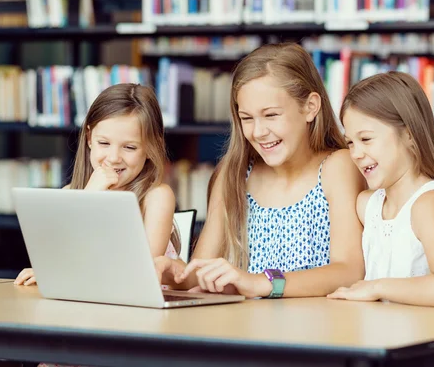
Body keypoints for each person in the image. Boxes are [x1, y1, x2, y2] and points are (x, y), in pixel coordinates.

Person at [156, 42, 365, 298]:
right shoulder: (233, 175)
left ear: (311, 107)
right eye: (247, 118)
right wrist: (171, 271)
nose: (258, 132)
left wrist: (261, 283)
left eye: (271, 115)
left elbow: (349, 270)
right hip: (249, 329)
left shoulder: (337, 167)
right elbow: (200, 271)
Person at [328, 71, 434, 308]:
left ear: (410, 135)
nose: (356, 154)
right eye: (350, 142)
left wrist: (376, 287)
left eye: (366, 139)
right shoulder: (367, 206)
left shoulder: (428, 203)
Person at [15, 83, 179, 286]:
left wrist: (89, 200)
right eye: (104, 143)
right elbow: (59, 258)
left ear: (151, 147)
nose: (113, 157)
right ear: (89, 137)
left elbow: (142, 271)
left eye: (129, 147)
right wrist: (49, 272)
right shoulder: (71, 193)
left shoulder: (157, 197)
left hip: (142, 308)